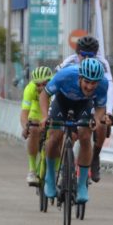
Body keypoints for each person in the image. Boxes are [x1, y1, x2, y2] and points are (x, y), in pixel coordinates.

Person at [40, 58, 108, 204]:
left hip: (84, 104)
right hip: (61, 101)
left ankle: (82, 184)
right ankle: (50, 176)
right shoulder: (65, 75)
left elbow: (101, 107)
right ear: (80, 77)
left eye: (94, 83)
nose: (90, 87)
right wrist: (45, 117)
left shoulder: (103, 84)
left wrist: (96, 119)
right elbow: (44, 94)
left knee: (85, 136)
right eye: (87, 82)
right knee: (54, 137)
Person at [56, 35, 113, 183]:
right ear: (78, 53)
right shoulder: (69, 62)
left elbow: (109, 89)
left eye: (91, 55)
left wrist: (109, 113)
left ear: (96, 54)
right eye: (83, 54)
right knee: (69, 135)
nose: (87, 58)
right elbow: (56, 84)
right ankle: (65, 166)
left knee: (101, 125)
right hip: (70, 98)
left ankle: (94, 157)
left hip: (92, 98)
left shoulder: (102, 64)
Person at [20, 66, 53, 186]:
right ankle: (32, 170)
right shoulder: (29, 89)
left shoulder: (56, 86)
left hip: (52, 110)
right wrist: (26, 127)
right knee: (33, 129)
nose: (41, 88)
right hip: (36, 111)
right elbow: (24, 113)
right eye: (38, 85)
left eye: (44, 84)